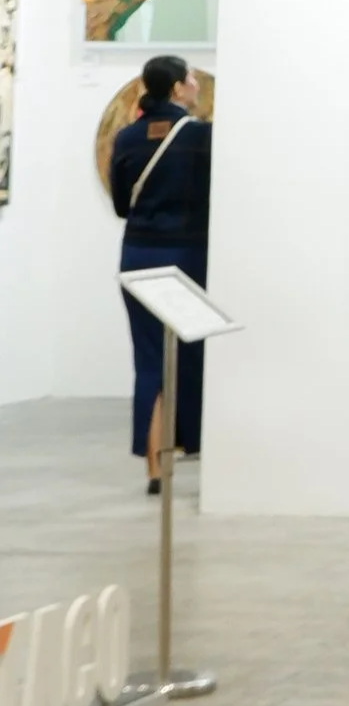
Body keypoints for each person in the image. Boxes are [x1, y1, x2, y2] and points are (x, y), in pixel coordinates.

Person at [109, 55, 213, 495]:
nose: (195, 85)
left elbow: (120, 206)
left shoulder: (127, 137)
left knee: (148, 360)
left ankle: (154, 469)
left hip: (136, 254)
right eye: (190, 78)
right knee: (189, 354)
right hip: (186, 254)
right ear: (176, 89)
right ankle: (188, 444)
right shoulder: (201, 137)